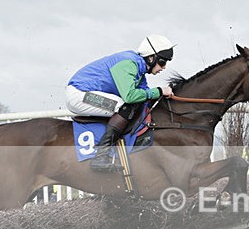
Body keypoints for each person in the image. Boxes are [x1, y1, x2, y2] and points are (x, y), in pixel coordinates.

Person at [66, 34, 175, 171]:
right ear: (151, 57)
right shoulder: (129, 63)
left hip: (87, 93)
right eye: (162, 62)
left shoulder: (139, 70)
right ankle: (101, 156)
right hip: (79, 94)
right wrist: (159, 91)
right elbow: (130, 96)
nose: (163, 67)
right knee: (123, 105)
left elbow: (145, 94)